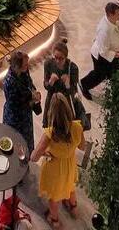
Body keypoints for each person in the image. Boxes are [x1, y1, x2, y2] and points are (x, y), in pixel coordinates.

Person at [32, 94, 85, 228]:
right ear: (68, 109)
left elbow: (34, 157)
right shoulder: (77, 127)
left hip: (54, 169)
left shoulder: (49, 134)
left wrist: (46, 152)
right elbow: (82, 147)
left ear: (52, 114)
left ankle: (54, 220)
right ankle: (73, 208)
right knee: (70, 186)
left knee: (54, 197)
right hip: (69, 164)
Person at [80, 1, 119, 99]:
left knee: (116, 73)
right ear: (110, 14)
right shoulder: (104, 30)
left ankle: (116, 91)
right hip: (101, 57)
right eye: (118, 14)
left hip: (116, 52)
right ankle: (84, 85)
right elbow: (104, 52)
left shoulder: (115, 20)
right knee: (99, 75)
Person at [3, 50, 39, 156]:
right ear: (16, 66)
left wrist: (34, 91)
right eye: (25, 65)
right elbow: (14, 104)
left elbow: (29, 83)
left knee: (28, 143)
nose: (27, 67)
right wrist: (31, 100)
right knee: (16, 143)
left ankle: (28, 158)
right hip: (15, 118)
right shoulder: (9, 82)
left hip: (26, 115)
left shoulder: (24, 71)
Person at [42, 39, 81, 125]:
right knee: (50, 126)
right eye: (56, 57)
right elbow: (46, 85)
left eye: (61, 58)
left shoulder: (73, 68)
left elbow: (74, 92)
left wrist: (67, 85)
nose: (58, 61)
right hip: (52, 102)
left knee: (67, 127)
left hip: (66, 104)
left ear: (66, 57)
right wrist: (50, 82)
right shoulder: (48, 64)